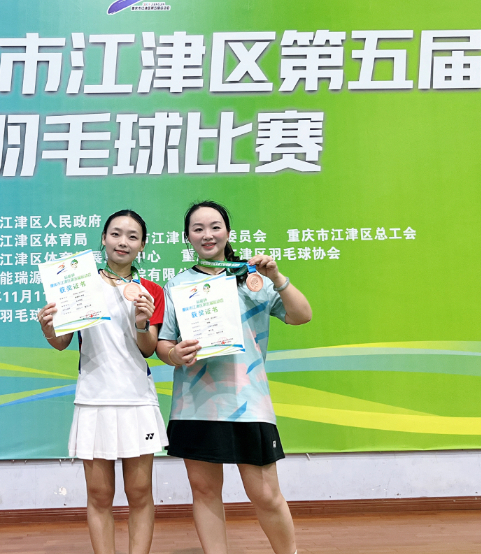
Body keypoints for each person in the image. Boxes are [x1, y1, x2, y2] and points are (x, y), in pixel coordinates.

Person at [155, 200, 312, 554]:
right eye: (198, 229)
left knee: (265, 494)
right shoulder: (177, 285)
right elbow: (164, 344)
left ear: (228, 232)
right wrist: (174, 355)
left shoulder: (252, 279)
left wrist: (277, 277)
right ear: (187, 237)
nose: (207, 235)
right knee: (205, 492)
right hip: (195, 405)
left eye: (215, 227)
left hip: (248, 402)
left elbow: (301, 315)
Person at [38, 209, 166, 554]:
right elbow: (62, 342)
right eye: (116, 234)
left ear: (142, 245)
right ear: (104, 239)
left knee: (140, 493)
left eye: (132, 236)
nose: (123, 242)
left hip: (137, 400)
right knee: (99, 495)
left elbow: (148, 349)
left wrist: (142, 321)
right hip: (93, 399)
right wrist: (48, 327)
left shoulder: (150, 291)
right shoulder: (79, 284)